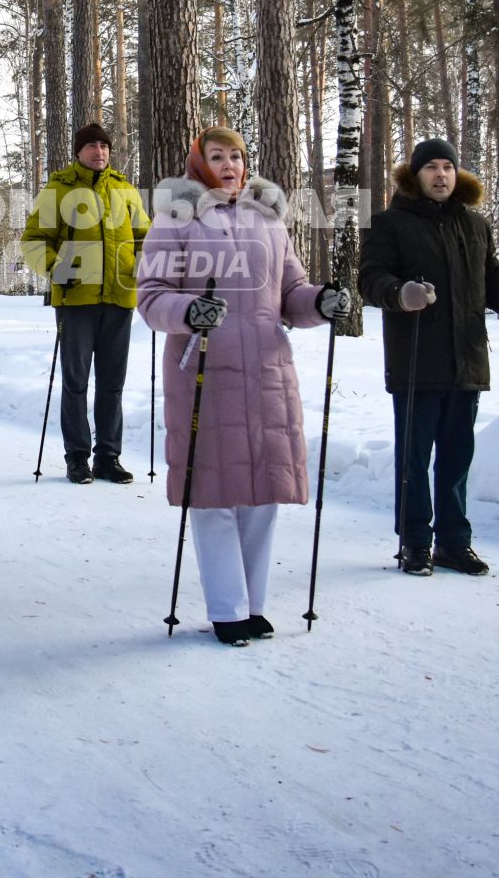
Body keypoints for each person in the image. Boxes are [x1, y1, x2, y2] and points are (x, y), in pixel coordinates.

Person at [136, 127, 353, 646]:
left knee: (262, 494)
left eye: (236, 156)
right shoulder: (176, 217)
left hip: (267, 371)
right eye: (218, 157)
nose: (230, 165)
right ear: (198, 164)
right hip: (205, 370)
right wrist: (190, 311)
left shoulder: (268, 219)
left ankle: (254, 606)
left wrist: (319, 303)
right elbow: (150, 295)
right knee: (213, 495)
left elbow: (291, 290)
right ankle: (227, 608)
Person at [358, 137, 499, 577]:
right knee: (414, 460)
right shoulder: (391, 224)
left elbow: (491, 277)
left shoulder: (474, 225)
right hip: (416, 360)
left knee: (457, 459)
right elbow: (371, 278)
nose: (440, 174)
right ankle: (415, 543)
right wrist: (401, 293)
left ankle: (455, 543)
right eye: (431, 168)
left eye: (447, 167)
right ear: (414, 175)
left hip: (467, 360)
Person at [20, 122, 151, 484]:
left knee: (112, 383)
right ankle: (77, 458)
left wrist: (138, 269)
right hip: (75, 298)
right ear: (78, 152)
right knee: (75, 382)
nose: (100, 151)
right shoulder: (58, 189)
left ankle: (109, 456)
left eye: (104, 146)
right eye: (91, 145)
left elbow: (146, 240)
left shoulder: (125, 189)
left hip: (119, 297)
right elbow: (33, 239)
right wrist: (53, 267)